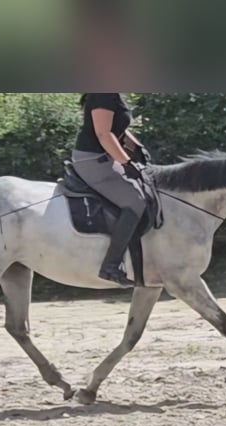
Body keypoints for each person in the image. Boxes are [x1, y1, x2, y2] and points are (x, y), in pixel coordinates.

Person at [71, 93, 151, 287]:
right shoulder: (103, 93)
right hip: (92, 160)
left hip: (105, 156)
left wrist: (136, 147)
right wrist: (127, 162)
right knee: (135, 201)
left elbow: (118, 128)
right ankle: (110, 265)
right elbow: (103, 134)